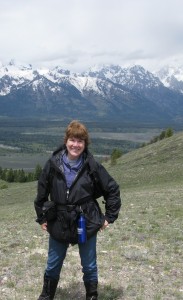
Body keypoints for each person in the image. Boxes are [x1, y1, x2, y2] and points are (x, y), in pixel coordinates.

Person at [34, 120, 121, 300]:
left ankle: (92, 296)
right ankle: (46, 296)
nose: (76, 145)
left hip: (86, 220)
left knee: (89, 265)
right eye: (72, 140)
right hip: (58, 220)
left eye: (80, 141)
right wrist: (42, 217)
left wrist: (109, 217)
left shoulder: (92, 166)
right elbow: (41, 193)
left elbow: (112, 189)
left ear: (85, 144)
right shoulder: (52, 164)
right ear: (66, 141)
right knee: (53, 263)